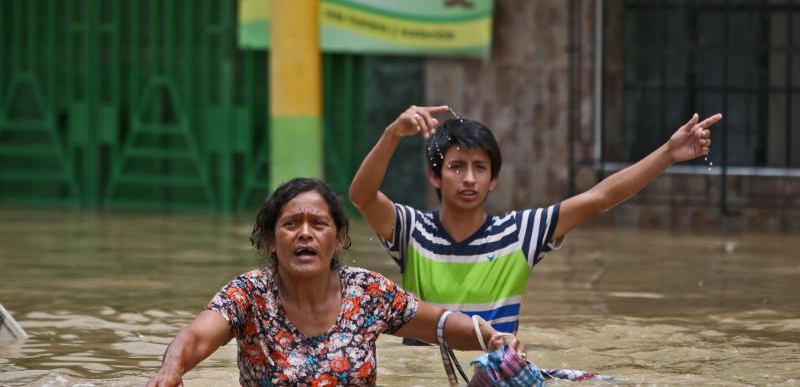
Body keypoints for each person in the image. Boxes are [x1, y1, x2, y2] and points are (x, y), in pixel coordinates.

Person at [349, 105, 722, 336]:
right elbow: (361, 196)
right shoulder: (412, 230)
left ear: (493, 179)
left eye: (480, 168)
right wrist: (393, 134)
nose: (468, 179)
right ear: (435, 176)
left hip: (496, 374)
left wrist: (668, 154)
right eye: (456, 167)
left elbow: (600, 197)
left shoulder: (519, 233)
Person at [145, 177, 524, 387]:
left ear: (339, 237)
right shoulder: (250, 294)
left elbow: (438, 323)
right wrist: (171, 370)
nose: (305, 234)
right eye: (291, 224)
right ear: (271, 241)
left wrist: (489, 336)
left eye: (318, 224)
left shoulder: (366, 292)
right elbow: (195, 336)